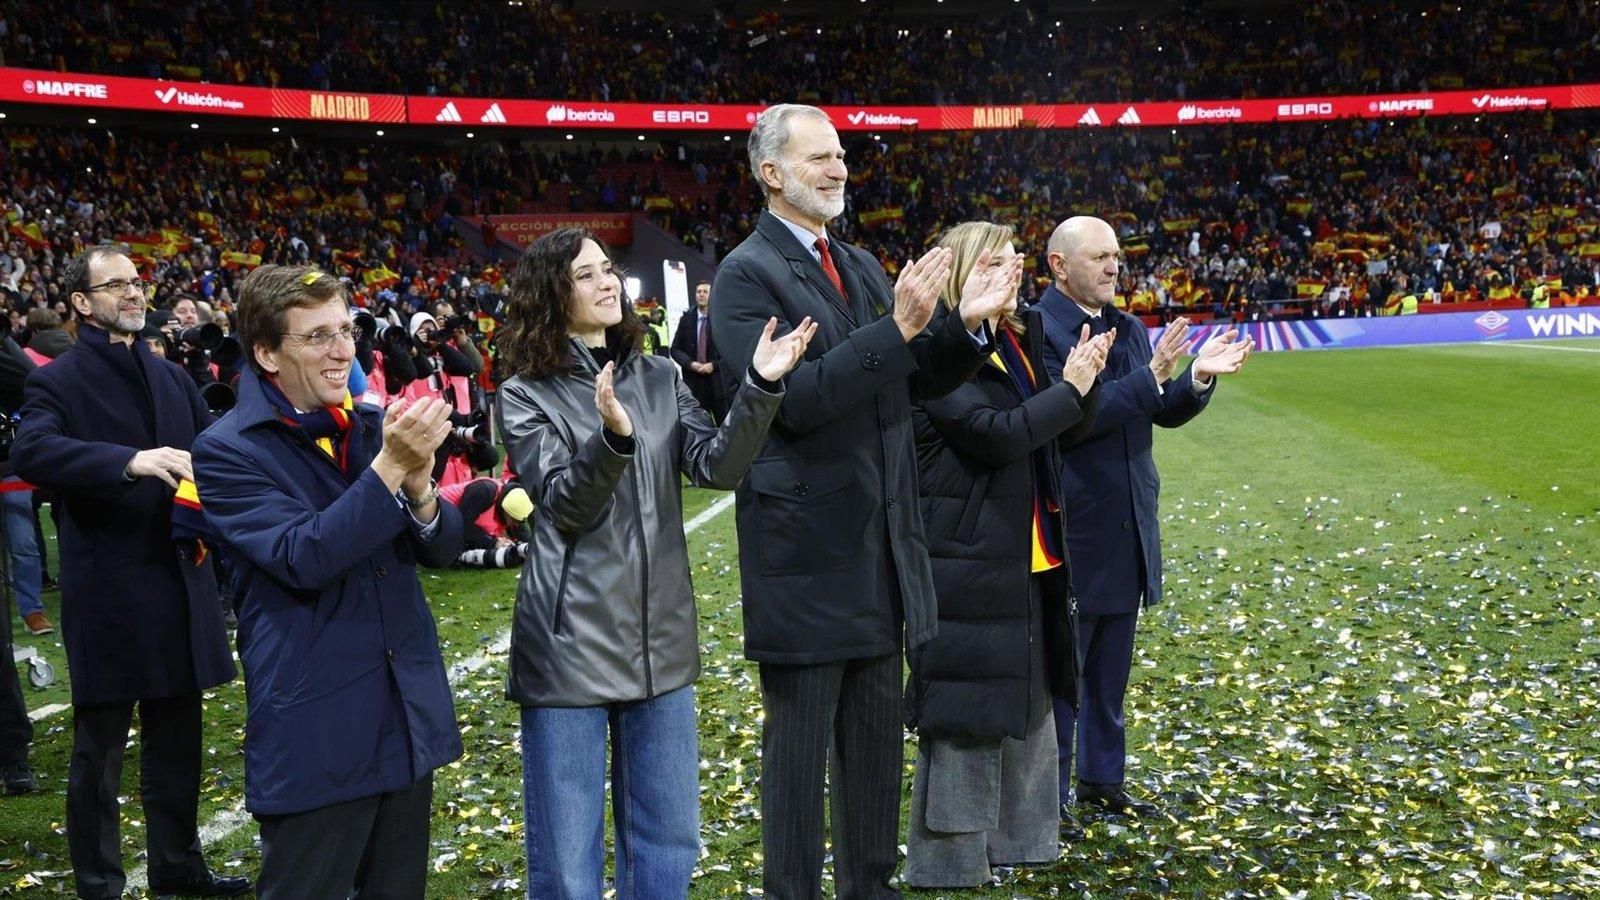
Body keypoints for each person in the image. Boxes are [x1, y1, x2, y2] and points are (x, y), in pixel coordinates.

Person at [710, 103, 1015, 899]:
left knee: (876, 759)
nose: (839, 168)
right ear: (771, 172)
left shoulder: (863, 264)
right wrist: (900, 329)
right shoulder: (745, 275)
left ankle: (870, 890)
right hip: (807, 563)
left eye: (841, 153)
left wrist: (961, 332)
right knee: (799, 766)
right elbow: (797, 400)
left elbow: (905, 386)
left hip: (882, 554)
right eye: (819, 157)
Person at [496, 227, 814, 899]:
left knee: (669, 838)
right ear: (549, 293)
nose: (607, 282)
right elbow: (561, 507)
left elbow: (718, 467)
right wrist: (612, 439)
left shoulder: (661, 374)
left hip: (662, 637)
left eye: (607, 269)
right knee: (566, 856)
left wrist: (760, 385)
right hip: (570, 644)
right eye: (585, 275)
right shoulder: (524, 393)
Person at [190, 264, 465, 900]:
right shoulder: (227, 449)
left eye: (345, 330)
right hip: (318, 730)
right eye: (316, 337)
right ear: (265, 353)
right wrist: (392, 469)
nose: (344, 350)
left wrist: (422, 493)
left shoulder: (365, 429)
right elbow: (303, 556)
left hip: (401, 716)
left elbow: (443, 549)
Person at [12, 245, 246, 899]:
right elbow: (32, 448)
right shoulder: (56, 381)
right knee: (100, 751)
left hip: (179, 584)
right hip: (112, 591)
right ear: (82, 304)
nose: (135, 294)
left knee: (178, 744)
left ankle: (179, 867)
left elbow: (217, 456)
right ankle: (97, 882)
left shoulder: (170, 377)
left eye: (138, 283)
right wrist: (130, 460)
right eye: (116, 285)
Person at [902, 221, 1111, 887]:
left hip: (1026, 552)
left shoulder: (1015, 339)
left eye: (1014, 260)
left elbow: (1061, 425)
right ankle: (950, 861)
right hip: (966, 555)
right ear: (960, 272)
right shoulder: (935, 353)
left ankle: (1019, 843)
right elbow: (994, 437)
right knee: (966, 714)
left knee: (1029, 702)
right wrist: (1070, 388)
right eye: (993, 262)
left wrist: (1085, 382)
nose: (1011, 271)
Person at [1033, 217, 1252, 822]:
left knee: (1108, 675)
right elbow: (1070, 422)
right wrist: (1149, 376)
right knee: (1063, 679)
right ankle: (1048, 803)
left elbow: (1154, 410)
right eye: (1100, 257)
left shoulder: (1126, 326)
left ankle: (1102, 782)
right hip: (1071, 530)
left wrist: (1196, 378)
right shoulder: (1037, 330)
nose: (1113, 268)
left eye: (1117, 258)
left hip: (1128, 525)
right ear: (1058, 265)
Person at [670, 280, 733, 423]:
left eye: (705, 292)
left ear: (711, 295)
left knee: (724, 425)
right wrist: (690, 363)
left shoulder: (720, 319)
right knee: (698, 426)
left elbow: (730, 351)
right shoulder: (686, 320)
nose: (701, 295)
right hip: (694, 383)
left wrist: (714, 365)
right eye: (699, 292)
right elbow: (674, 349)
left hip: (717, 384)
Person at [441, 475, 532, 568]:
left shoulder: (510, 504)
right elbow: (462, 524)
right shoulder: (485, 491)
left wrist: (532, 547)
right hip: (439, 516)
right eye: (513, 520)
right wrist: (494, 543)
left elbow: (521, 532)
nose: (516, 524)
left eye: (519, 521)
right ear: (505, 510)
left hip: (453, 522)